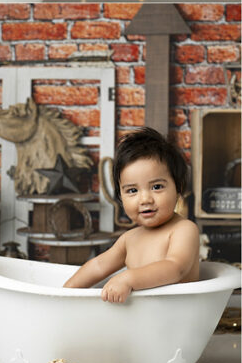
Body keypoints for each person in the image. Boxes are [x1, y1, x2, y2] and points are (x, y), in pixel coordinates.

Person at [63, 127, 199, 302]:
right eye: (132, 190)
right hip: (138, 320)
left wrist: (128, 278)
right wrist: (67, 291)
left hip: (175, 316)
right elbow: (98, 266)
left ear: (178, 187)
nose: (145, 199)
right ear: (120, 196)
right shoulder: (129, 239)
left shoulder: (184, 230)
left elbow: (175, 268)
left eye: (157, 187)